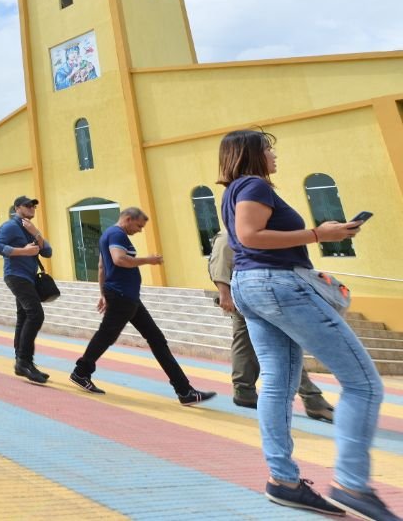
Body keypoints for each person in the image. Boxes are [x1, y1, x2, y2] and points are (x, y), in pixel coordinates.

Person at [219, 130, 393, 519]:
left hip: (250, 285)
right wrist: (318, 234)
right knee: (363, 384)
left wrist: (327, 234)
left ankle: (284, 481)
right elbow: (250, 235)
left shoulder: (232, 191)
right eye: (268, 148)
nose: (273, 154)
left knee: (277, 384)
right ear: (252, 154)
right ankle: (352, 485)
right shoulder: (254, 186)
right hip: (276, 284)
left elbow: (244, 239)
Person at [68, 207, 217, 407]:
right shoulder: (117, 234)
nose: (139, 230)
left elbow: (102, 266)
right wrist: (149, 260)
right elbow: (119, 259)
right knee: (108, 335)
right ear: (128, 219)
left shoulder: (109, 234)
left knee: (154, 339)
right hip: (122, 296)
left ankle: (184, 391)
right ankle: (81, 372)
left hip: (126, 296)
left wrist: (102, 293)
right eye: (138, 226)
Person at [208, 232, 335, 422]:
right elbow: (219, 263)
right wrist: (224, 294)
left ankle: (244, 391)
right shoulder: (231, 234)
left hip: (261, 292)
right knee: (283, 344)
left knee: (244, 342)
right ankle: (312, 399)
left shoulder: (256, 231)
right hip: (252, 295)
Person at [0, 196, 53, 384]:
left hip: (28, 278)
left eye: (34, 205)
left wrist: (37, 233)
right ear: (17, 208)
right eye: (27, 205)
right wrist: (23, 251)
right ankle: (24, 361)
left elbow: (48, 252)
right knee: (36, 315)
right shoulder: (10, 226)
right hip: (16, 276)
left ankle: (23, 362)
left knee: (24, 317)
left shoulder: (30, 229)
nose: (32, 208)